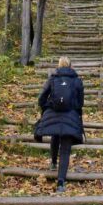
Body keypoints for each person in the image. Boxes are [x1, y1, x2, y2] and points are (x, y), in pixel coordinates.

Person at [34, 56, 85, 192]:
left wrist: (48, 107)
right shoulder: (77, 81)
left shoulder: (52, 79)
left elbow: (41, 98)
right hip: (71, 115)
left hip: (54, 113)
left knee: (55, 135)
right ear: (70, 66)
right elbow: (81, 102)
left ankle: (53, 163)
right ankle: (61, 182)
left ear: (59, 65)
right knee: (66, 149)